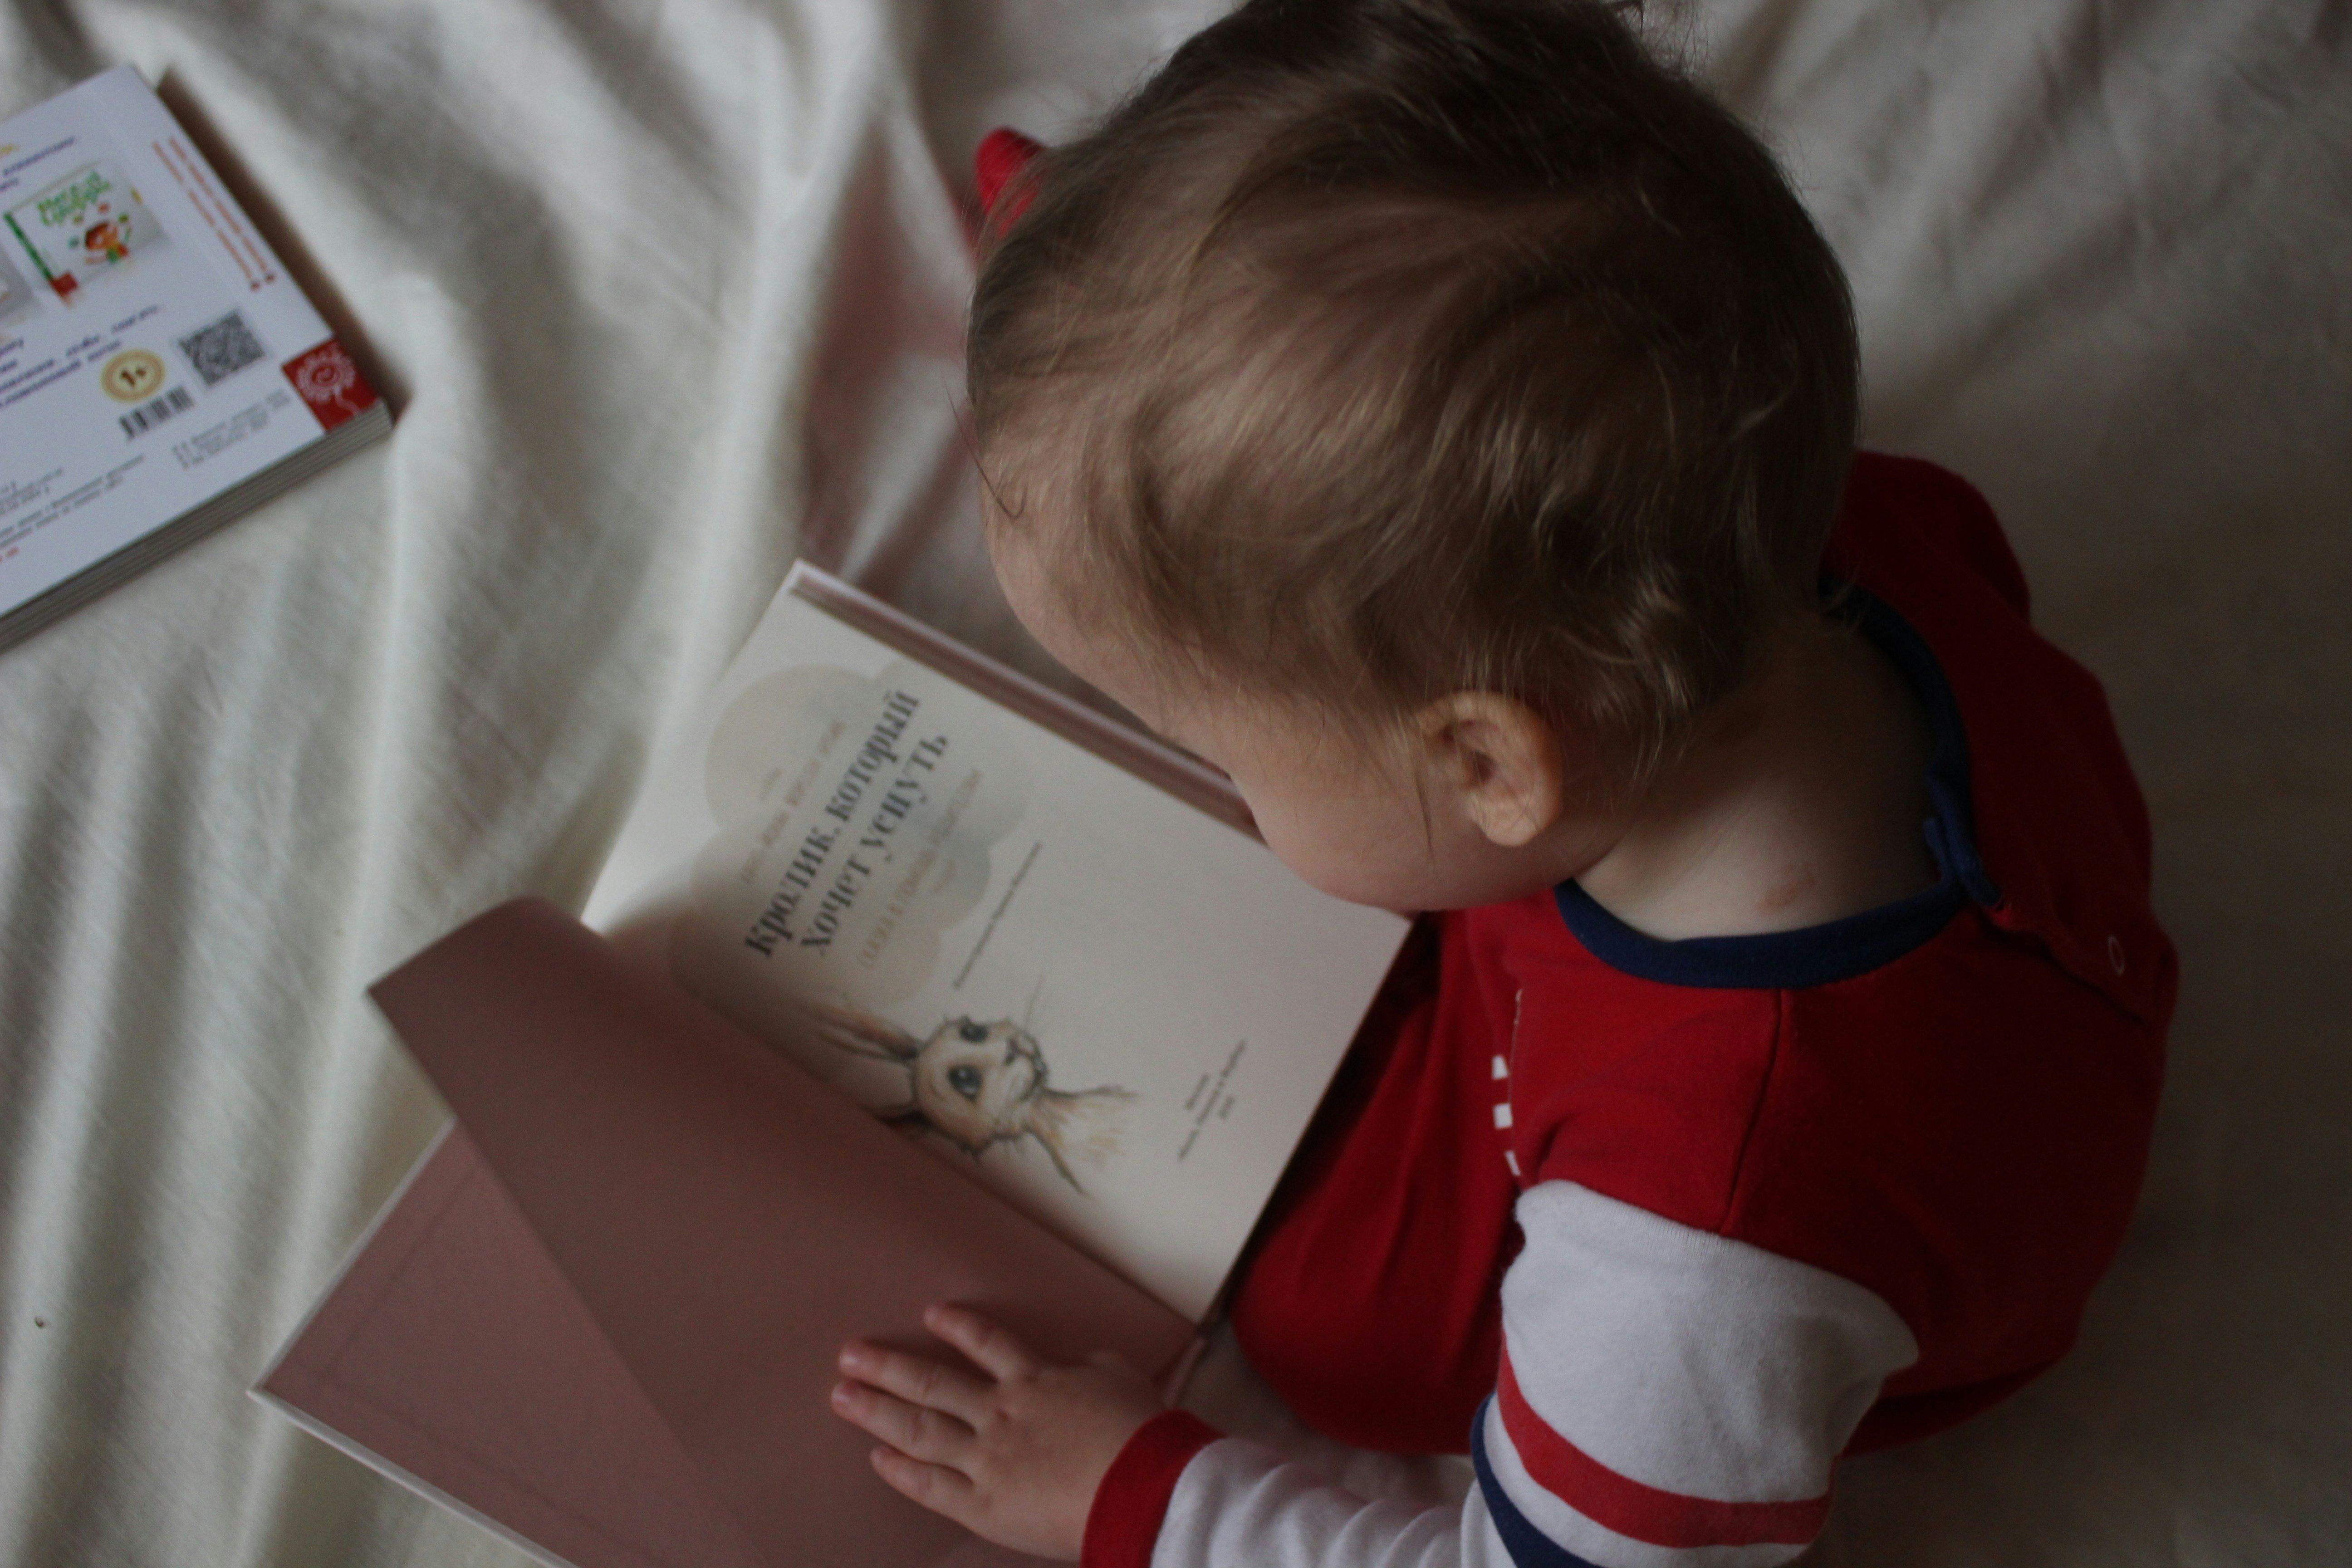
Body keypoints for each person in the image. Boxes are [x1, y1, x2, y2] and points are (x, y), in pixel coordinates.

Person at [827, 1, 2175, 1564]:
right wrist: (1136, 305)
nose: (1216, 787)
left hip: (1785, 1123)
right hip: (1882, 896)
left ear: (1487, 765)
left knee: (1343, 1324)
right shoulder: (1745, 519)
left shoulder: (1699, 1259)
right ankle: (1142, 314)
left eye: (1225, 754)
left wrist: (1139, 1497)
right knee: (1219, 356)